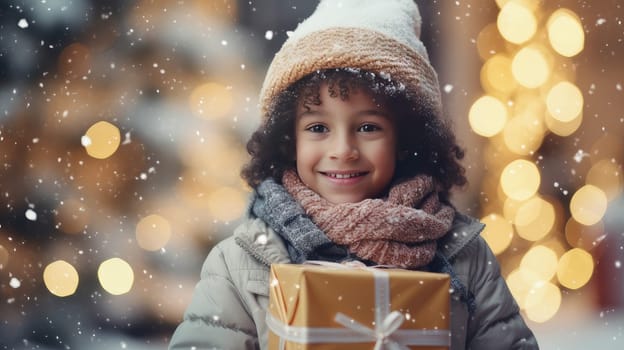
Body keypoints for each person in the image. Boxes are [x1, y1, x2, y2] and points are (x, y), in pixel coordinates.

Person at [169, 0, 539, 349]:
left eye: (367, 128)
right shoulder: (242, 262)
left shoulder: (464, 256)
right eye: (318, 128)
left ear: (406, 139)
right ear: (288, 141)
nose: (342, 150)